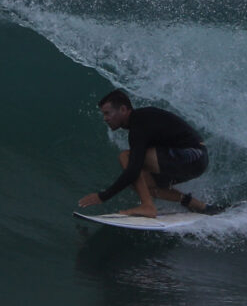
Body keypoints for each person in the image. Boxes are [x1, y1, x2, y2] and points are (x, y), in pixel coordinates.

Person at [76, 89, 217, 217]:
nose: (105, 118)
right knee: (142, 184)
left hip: (193, 155)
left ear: (123, 109)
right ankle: (196, 204)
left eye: (107, 113)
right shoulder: (140, 123)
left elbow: (133, 169)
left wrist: (103, 196)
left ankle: (147, 206)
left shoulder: (139, 122)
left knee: (126, 157)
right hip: (195, 161)